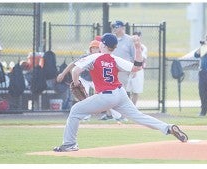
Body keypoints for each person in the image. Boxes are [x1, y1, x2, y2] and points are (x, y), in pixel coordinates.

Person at [53, 33, 188, 152]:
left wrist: (76, 84)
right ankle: (168, 128)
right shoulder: (114, 58)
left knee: (75, 110)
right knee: (139, 116)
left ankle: (70, 144)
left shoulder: (94, 56)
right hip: (120, 94)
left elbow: (74, 71)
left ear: (103, 45)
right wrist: (137, 47)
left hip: (106, 96)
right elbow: (137, 67)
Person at [99, 20, 136, 121]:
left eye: (116, 26)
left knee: (121, 92)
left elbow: (134, 56)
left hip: (123, 69)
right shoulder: (111, 38)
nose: (114, 28)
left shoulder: (129, 39)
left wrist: (134, 70)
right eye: (113, 27)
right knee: (108, 91)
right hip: (110, 68)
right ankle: (109, 114)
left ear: (122, 27)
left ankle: (123, 116)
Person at [126, 31, 148, 105]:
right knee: (126, 90)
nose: (136, 37)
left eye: (138, 36)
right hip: (129, 69)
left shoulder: (143, 47)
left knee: (136, 90)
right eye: (135, 36)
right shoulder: (129, 45)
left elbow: (143, 59)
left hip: (138, 70)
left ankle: (133, 107)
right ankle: (126, 107)